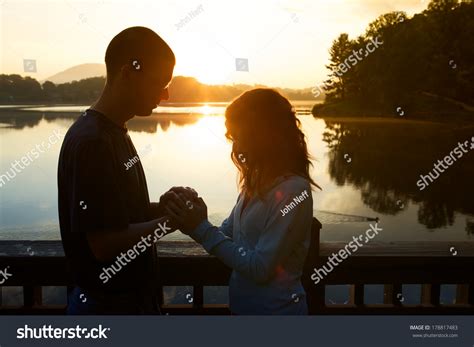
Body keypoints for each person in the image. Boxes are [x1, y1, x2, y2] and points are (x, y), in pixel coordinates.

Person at [58, 26, 195, 314]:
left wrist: (162, 208)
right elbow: (104, 244)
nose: (167, 95)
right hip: (108, 309)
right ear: (128, 73)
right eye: (160, 82)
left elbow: (116, 217)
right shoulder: (92, 141)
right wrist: (174, 222)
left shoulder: (113, 132)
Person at [165, 89, 320, 315]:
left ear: (260, 134)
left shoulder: (294, 190)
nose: (235, 146)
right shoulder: (255, 182)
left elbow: (260, 268)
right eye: (232, 137)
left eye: (237, 135)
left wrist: (201, 228)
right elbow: (227, 234)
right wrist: (192, 211)